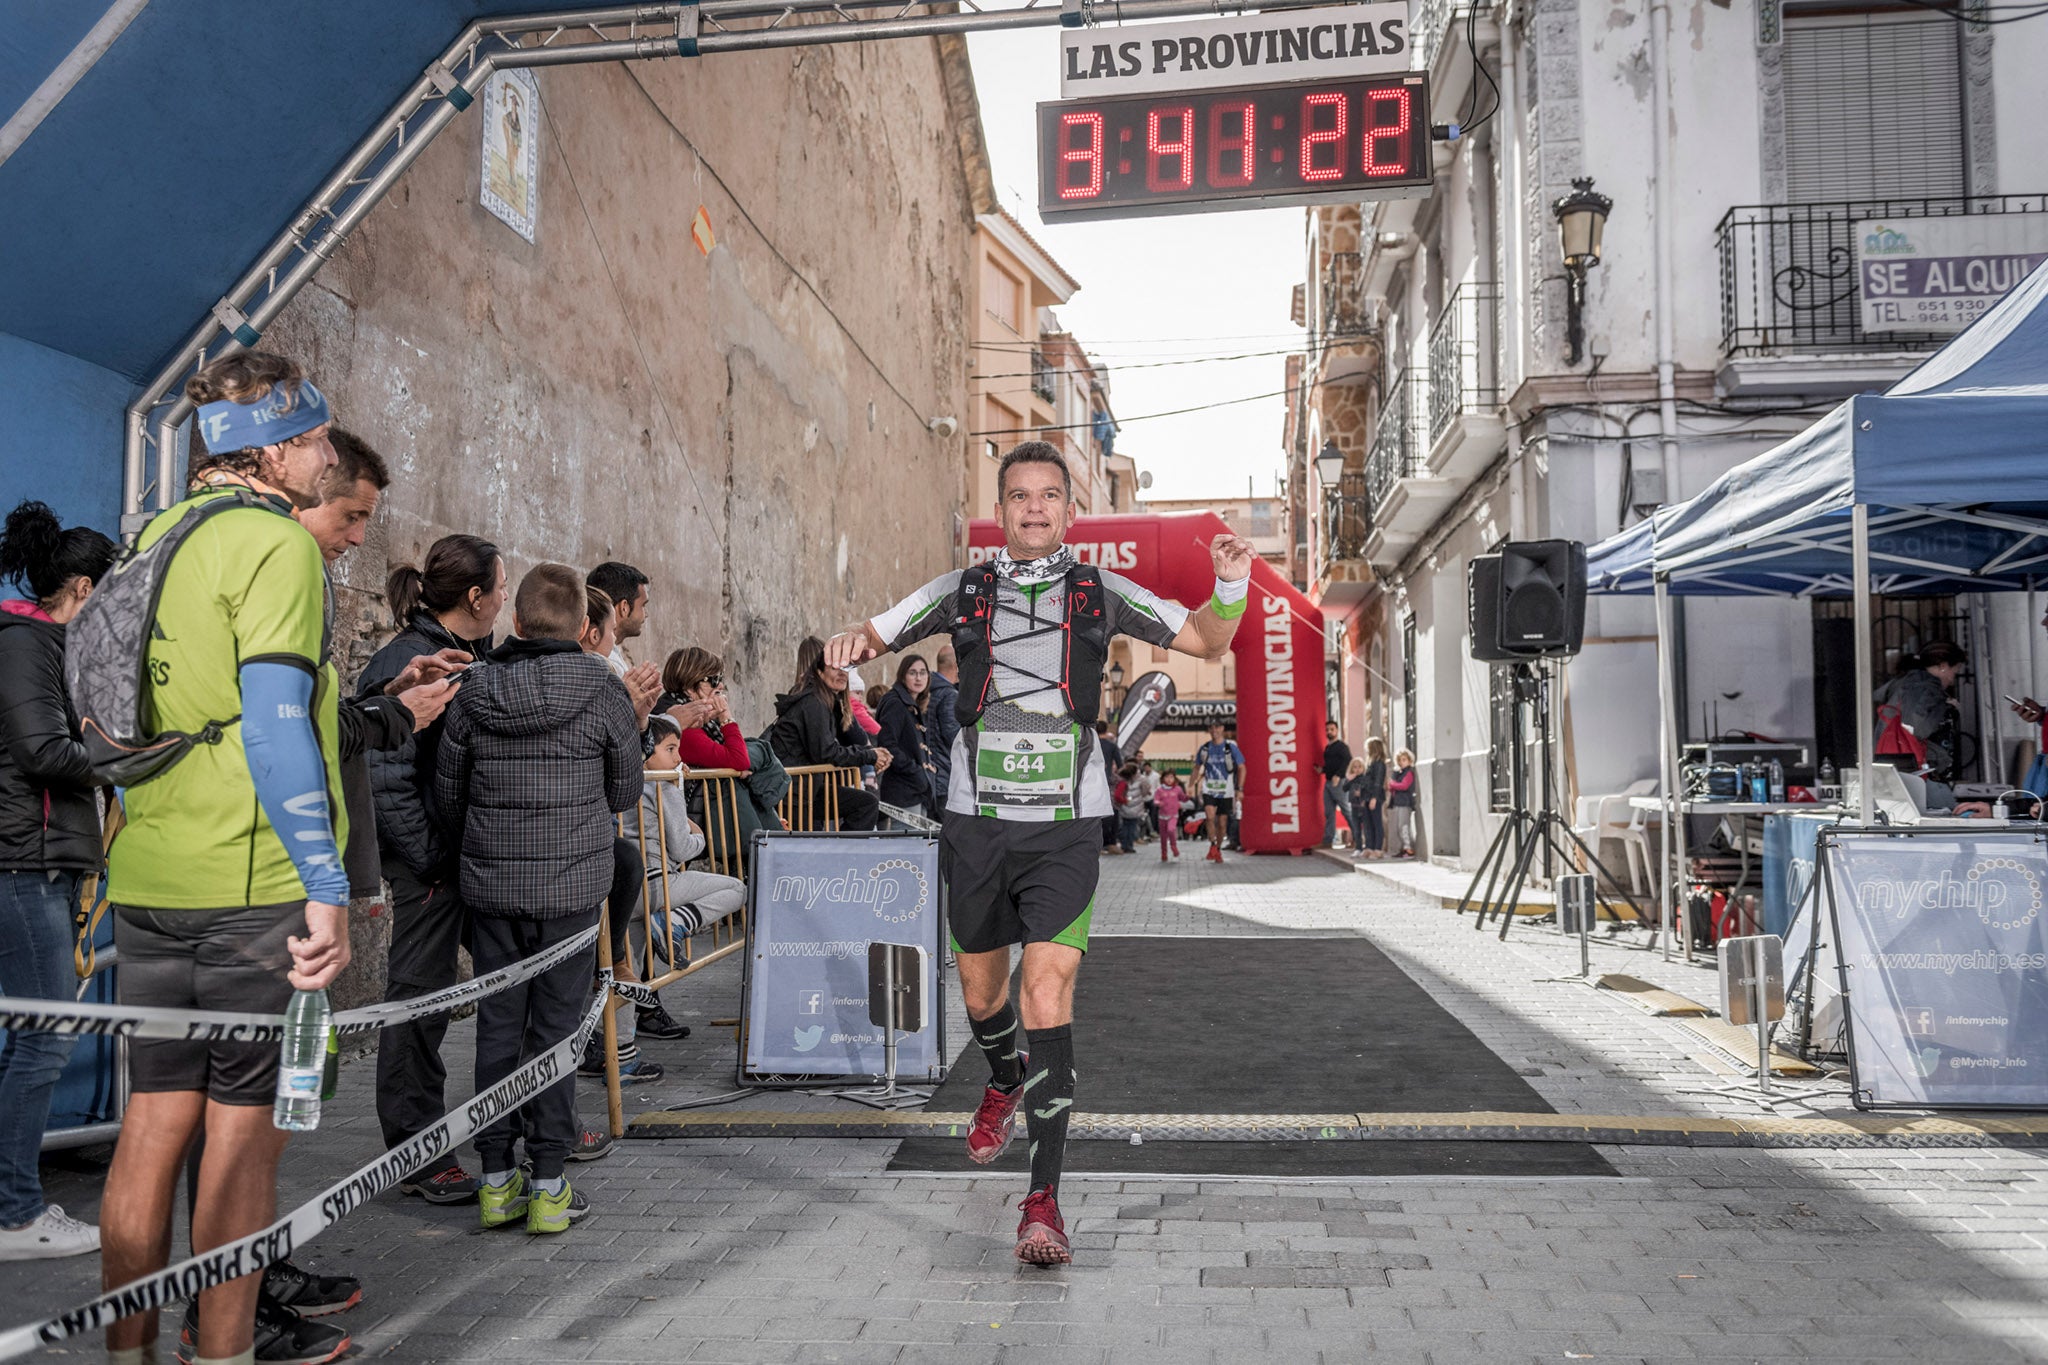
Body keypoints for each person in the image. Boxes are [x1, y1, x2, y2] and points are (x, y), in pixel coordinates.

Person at [824, 439, 1252, 1264]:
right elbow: (875, 630)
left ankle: (1043, 1198)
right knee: (985, 991)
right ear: (1002, 507)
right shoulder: (963, 587)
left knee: (1046, 987)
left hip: (1064, 822)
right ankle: (1003, 1075)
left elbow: (1205, 641)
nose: (1032, 508)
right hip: (977, 822)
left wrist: (1229, 583)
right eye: (1018, 495)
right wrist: (847, 644)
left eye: (1047, 495)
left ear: (1067, 508)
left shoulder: (1102, 589)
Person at [98, 352, 353, 1365]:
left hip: (152, 878)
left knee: (151, 1125)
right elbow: (277, 724)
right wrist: (325, 887)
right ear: (280, 446)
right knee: (242, 1142)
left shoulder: (151, 536)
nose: (331, 458)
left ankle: (126, 1355)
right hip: (253, 887)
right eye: (322, 438)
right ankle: (225, 1357)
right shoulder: (275, 546)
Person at [435, 563, 642, 1235]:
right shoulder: (603, 691)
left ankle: (498, 1180)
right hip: (572, 892)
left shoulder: (475, 688)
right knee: (555, 1034)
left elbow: (449, 792)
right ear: (584, 626)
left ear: (516, 621)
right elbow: (624, 791)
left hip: (492, 888)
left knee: (497, 1028)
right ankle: (550, 1184)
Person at [359, 533, 506, 1204]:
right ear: (474, 597)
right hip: (428, 863)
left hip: (467, 854)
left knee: (517, 979)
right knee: (419, 1000)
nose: (505, 599)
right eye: (500, 589)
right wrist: (428, 858)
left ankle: (529, 1122)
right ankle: (416, 1150)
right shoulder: (408, 661)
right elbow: (384, 775)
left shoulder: (473, 654)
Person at [0, 500, 114, 1263]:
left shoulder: (49, 648)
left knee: (28, 1039)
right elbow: (43, 752)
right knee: (43, 1038)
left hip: (35, 859)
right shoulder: (27, 644)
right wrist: (124, 759)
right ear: (80, 588)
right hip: (23, 861)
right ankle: (16, 1213)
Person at [573, 587, 664, 1083]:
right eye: (609, 636)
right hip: (579, 852)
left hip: (552, 854)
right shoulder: (597, 682)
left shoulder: (490, 677)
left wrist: (639, 717)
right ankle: (610, 1059)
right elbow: (624, 783)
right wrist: (632, 717)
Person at [638, 718, 747, 954]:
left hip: (629, 889)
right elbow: (683, 849)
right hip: (658, 885)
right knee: (737, 890)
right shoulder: (664, 789)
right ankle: (674, 922)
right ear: (646, 752)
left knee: (636, 965)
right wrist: (699, 835)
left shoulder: (627, 785)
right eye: (670, 749)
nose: (678, 758)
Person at [768, 637, 888, 832]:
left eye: (846, 668)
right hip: (793, 795)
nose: (842, 673)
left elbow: (852, 737)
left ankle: (840, 856)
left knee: (865, 804)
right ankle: (840, 857)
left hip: (807, 790)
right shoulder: (813, 702)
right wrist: (870, 755)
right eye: (835, 667)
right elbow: (825, 752)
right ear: (819, 671)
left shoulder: (825, 700)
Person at [1874, 641, 1965, 781]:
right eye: (1955, 672)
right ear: (1943, 666)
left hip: (1887, 758)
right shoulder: (1927, 685)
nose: (1953, 680)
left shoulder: (1904, 680)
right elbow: (1919, 728)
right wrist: (1945, 708)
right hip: (1908, 765)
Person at [877, 655, 936, 817]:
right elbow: (887, 746)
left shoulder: (913, 703)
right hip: (902, 790)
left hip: (916, 790)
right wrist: (916, 772)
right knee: (905, 841)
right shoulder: (896, 703)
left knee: (918, 840)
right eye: (913, 673)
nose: (918, 678)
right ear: (903, 676)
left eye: (923, 673)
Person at [1191, 722, 1245, 864]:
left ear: (1222, 729)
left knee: (1222, 823)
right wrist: (1191, 785)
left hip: (1226, 789)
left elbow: (1242, 768)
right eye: (1211, 728)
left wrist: (1240, 788)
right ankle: (1213, 844)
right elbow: (1197, 767)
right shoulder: (1205, 748)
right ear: (1209, 730)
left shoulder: (1230, 748)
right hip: (1209, 788)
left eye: (1217, 727)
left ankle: (1218, 849)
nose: (1214, 730)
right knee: (1209, 817)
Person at [926, 643, 962, 799]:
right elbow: (953, 736)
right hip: (943, 772)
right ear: (956, 665)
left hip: (930, 771)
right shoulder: (950, 695)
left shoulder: (925, 690)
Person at [1320, 720, 1352, 850]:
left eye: (1332, 729)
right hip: (1328, 782)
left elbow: (1348, 761)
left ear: (1337, 731)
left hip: (1339, 782)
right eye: (1327, 730)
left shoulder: (1341, 746)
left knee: (1346, 810)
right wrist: (1322, 770)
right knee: (1329, 812)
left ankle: (1358, 838)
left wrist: (1338, 775)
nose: (1329, 732)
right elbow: (1330, 765)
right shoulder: (1328, 748)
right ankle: (1328, 841)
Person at [1356, 738, 1389, 858]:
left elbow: (1378, 782)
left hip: (1375, 797)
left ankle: (1378, 849)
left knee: (1376, 822)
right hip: (1367, 797)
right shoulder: (1370, 763)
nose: (1366, 750)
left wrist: (1374, 798)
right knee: (1368, 823)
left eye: (1368, 747)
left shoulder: (1379, 764)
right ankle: (1369, 847)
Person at [1095, 720, 1122, 851]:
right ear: (1106, 730)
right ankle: (1110, 842)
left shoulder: (1089, 744)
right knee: (1111, 812)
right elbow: (1120, 765)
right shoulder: (1111, 746)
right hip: (1106, 782)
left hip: (1090, 782)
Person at [1388, 748, 1419, 858]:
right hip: (1398, 802)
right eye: (1400, 760)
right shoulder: (1399, 773)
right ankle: (1403, 847)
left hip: (1405, 803)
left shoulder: (1409, 773)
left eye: (1404, 760)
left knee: (1404, 826)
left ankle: (1408, 848)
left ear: (1409, 760)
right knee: (1398, 827)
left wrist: (1393, 785)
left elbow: (1404, 786)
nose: (1402, 762)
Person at [1153, 771, 1186, 861]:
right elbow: (1155, 800)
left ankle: (1174, 847)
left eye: (1171, 777)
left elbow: (1183, 798)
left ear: (1174, 779)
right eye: (1167, 777)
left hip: (1173, 815)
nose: (1169, 779)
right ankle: (1164, 854)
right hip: (1162, 816)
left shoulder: (1177, 789)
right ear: (1163, 778)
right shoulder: (1159, 790)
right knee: (1163, 837)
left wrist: (1188, 796)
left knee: (1171, 830)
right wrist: (1159, 803)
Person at [1114, 761, 1145, 853]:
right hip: (1135, 807)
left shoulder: (1119, 780)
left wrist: (1124, 802)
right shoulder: (1139, 780)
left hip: (1124, 807)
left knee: (1124, 827)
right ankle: (1129, 845)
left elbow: (1117, 795)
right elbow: (1145, 790)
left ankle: (1124, 845)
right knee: (1132, 827)